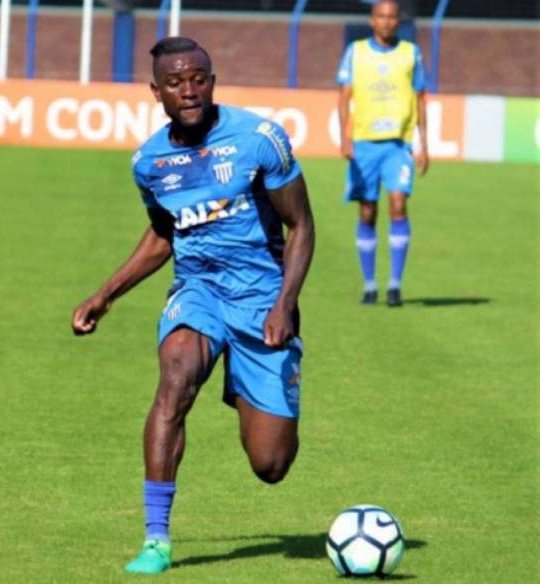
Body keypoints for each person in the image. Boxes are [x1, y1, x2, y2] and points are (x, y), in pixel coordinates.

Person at [71, 37, 315, 574]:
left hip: (261, 299)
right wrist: (104, 295)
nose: (190, 90)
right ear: (156, 91)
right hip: (198, 290)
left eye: (199, 78)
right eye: (177, 82)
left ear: (212, 80)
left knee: (271, 465)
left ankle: (246, 384)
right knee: (175, 378)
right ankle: (156, 538)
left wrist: (284, 303)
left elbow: (301, 225)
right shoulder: (150, 162)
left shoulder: (259, 139)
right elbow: (164, 234)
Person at [337, 0, 428, 307]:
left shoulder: (411, 53)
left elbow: (421, 98)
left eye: (392, 17)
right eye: (381, 16)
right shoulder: (356, 52)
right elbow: (343, 97)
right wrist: (345, 138)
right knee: (367, 211)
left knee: (399, 204)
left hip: (398, 145)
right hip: (364, 144)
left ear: (398, 21)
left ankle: (394, 285)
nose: (387, 22)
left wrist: (423, 143)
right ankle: (370, 284)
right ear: (372, 20)